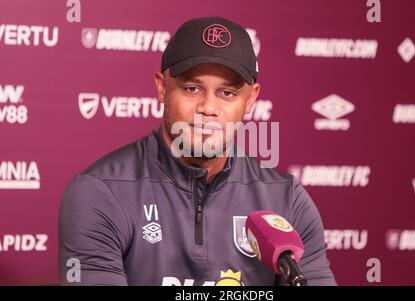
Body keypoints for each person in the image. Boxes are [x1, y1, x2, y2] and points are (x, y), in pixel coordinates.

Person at [59, 16, 336, 286]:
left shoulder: (287, 200)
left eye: (227, 93)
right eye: (192, 88)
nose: (208, 108)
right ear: (162, 87)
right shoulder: (100, 192)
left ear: (250, 99)